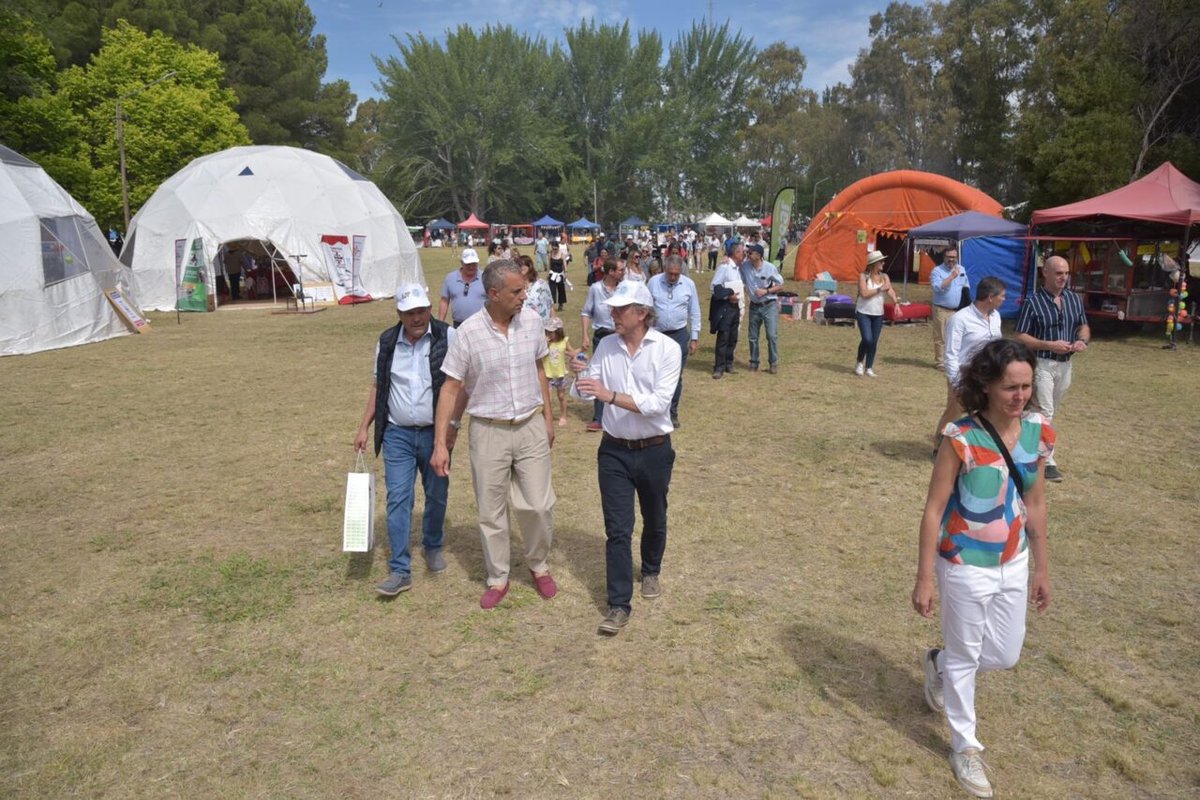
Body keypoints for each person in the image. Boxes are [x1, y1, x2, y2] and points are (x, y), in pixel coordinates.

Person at [912, 338, 1053, 800]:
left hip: (1013, 559)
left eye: (1026, 387)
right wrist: (925, 576)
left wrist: (1041, 569)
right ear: (988, 385)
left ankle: (940, 661)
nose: (1020, 396)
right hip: (962, 562)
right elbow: (934, 509)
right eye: (1011, 387)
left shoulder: (1038, 432)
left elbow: (1035, 501)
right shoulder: (960, 437)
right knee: (968, 657)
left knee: (1005, 654)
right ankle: (965, 746)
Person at [432, 260, 558, 610]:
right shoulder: (469, 333)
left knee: (538, 504)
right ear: (494, 293)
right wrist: (442, 441)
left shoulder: (532, 322)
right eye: (517, 291)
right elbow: (452, 387)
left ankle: (538, 564)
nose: (524, 296)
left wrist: (548, 418)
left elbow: (539, 368)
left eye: (524, 289)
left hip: (530, 424)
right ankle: (498, 576)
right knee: (491, 510)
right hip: (488, 430)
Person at [571, 281, 680, 636]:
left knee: (655, 516)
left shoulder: (667, 349)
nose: (612, 313)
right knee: (617, 530)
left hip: (654, 450)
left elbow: (656, 405)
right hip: (614, 450)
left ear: (643, 313)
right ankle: (618, 604)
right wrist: (579, 373)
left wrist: (610, 395)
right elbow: (586, 393)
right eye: (612, 308)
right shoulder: (606, 345)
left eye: (621, 309)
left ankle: (650, 569)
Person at [353, 284, 458, 596]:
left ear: (429, 309)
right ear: (399, 314)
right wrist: (364, 427)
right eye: (410, 312)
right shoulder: (387, 342)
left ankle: (433, 544)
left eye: (422, 311)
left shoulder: (447, 336)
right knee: (398, 497)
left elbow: (459, 384)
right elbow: (378, 386)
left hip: (434, 434)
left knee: (437, 493)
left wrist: (451, 427)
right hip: (397, 433)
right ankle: (400, 569)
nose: (417, 318)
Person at [1013, 255, 1089, 483]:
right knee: (1046, 411)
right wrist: (1049, 345)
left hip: (1066, 364)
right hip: (1042, 363)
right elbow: (1020, 335)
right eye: (1058, 273)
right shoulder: (1032, 302)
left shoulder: (1074, 299)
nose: (1063, 277)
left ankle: (1023, 445)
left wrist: (1082, 340)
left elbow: (1083, 325)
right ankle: (1048, 461)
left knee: (1047, 410)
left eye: (1066, 273)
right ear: (1045, 273)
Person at [933, 277, 1006, 452]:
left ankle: (979, 446)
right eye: (1002, 296)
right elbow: (951, 354)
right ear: (990, 297)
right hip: (964, 375)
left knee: (987, 412)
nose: (1004, 299)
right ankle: (940, 446)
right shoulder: (960, 319)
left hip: (988, 374)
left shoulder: (996, 317)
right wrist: (957, 382)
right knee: (955, 412)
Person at [647, 255, 700, 428]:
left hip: (679, 335)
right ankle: (654, 410)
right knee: (653, 374)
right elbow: (645, 308)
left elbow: (695, 312)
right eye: (670, 273)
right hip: (656, 335)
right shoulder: (654, 282)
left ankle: (672, 413)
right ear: (664, 270)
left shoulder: (688, 285)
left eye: (676, 274)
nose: (672, 277)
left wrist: (694, 337)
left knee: (675, 377)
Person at [580, 258, 625, 431]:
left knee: (620, 374)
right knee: (599, 375)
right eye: (620, 270)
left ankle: (621, 414)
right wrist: (584, 335)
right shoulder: (595, 289)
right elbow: (586, 312)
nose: (623, 272)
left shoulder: (624, 288)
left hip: (621, 336)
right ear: (610, 272)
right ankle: (598, 417)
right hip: (601, 337)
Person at [740, 243, 785, 374]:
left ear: (759, 255)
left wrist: (766, 291)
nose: (748, 254)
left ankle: (773, 363)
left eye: (751, 252)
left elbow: (781, 285)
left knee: (771, 335)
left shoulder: (770, 268)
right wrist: (726, 258)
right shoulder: (745, 267)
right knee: (752, 337)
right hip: (754, 306)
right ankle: (754, 362)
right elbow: (734, 265)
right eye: (748, 252)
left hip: (769, 305)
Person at [854, 250, 898, 377]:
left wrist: (896, 303)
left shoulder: (885, 277)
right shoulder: (863, 276)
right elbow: (864, 294)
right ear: (874, 264)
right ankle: (859, 362)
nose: (883, 263)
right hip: (863, 312)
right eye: (881, 261)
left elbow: (890, 290)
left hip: (878, 314)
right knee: (867, 339)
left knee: (874, 341)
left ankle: (869, 367)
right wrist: (880, 289)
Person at [930, 248, 971, 370]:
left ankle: (953, 360)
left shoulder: (961, 269)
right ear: (944, 257)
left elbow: (966, 285)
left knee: (956, 337)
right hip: (941, 309)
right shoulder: (937, 271)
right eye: (949, 257)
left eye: (953, 257)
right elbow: (938, 287)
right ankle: (940, 362)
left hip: (957, 310)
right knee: (941, 337)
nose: (951, 260)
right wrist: (951, 277)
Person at [709, 241, 745, 379]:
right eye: (742, 252)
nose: (744, 254)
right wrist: (728, 294)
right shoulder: (724, 267)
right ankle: (719, 366)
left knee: (733, 336)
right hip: (725, 306)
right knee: (723, 336)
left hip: (736, 306)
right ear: (736, 253)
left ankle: (729, 363)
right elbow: (714, 287)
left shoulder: (738, 267)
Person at [438, 248, 487, 327]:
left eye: (474, 264)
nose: (471, 267)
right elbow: (444, 300)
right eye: (468, 264)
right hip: (458, 325)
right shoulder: (450, 278)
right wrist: (440, 323)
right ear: (461, 263)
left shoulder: (486, 277)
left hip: (482, 324)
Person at [543, 317, 571, 426]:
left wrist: (581, 351)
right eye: (547, 332)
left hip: (560, 374)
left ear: (558, 332)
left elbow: (572, 352)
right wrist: (545, 343)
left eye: (552, 332)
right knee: (547, 397)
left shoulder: (564, 341)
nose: (549, 334)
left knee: (561, 396)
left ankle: (563, 416)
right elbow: (538, 353)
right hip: (548, 374)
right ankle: (548, 416)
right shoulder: (545, 343)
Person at [518, 254, 556, 326]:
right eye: (518, 266)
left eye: (522, 265)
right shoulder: (516, 287)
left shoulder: (541, 284)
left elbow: (550, 306)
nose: (520, 267)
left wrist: (554, 325)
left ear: (529, 266)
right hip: (523, 327)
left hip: (542, 326)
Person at [549, 239, 569, 311]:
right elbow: (549, 264)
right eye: (553, 248)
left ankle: (561, 304)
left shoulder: (561, 254)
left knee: (561, 289)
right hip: (552, 274)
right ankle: (551, 305)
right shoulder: (550, 254)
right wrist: (548, 273)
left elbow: (564, 264)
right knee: (552, 290)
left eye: (555, 248)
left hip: (560, 274)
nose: (554, 250)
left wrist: (566, 272)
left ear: (558, 247)